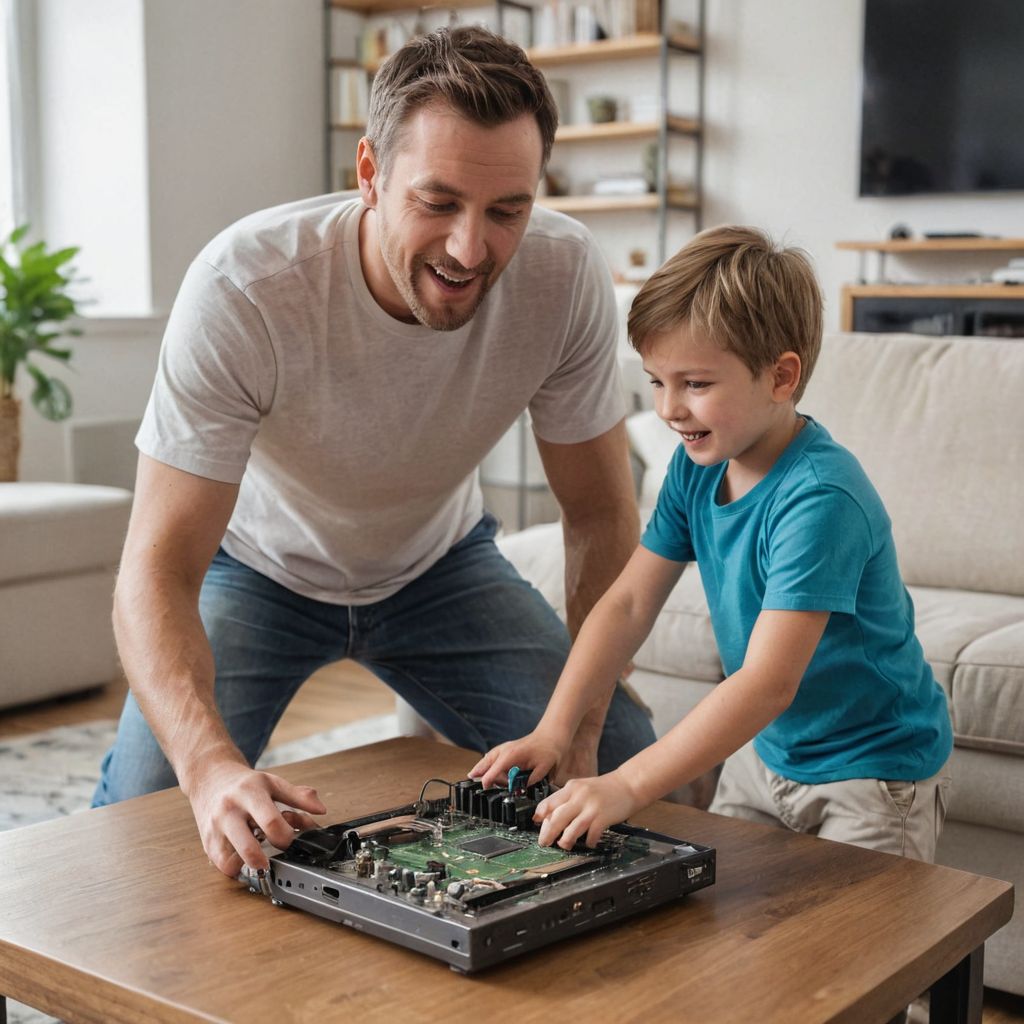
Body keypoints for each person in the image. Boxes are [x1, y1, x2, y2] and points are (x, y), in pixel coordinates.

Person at [92, 25, 656, 878]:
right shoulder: (245, 288)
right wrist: (207, 766)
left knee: (621, 753)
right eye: (438, 203)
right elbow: (155, 568)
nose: (472, 250)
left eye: (507, 211)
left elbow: (600, 513)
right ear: (369, 175)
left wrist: (578, 724)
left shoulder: (565, 274)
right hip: (258, 570)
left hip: (438, 568)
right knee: (145, 825)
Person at [471, 226, 953, 864]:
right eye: (655, 382)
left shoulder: (821, 498)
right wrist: (554, 729)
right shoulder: (694, 466)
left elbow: (764, 683)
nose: (670, 409)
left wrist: (626, 784)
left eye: (695, 384)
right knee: (723, 937)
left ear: (781, 377)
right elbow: (627, 606)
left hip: (872, 777)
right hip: (768, 755)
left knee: (857, 956)